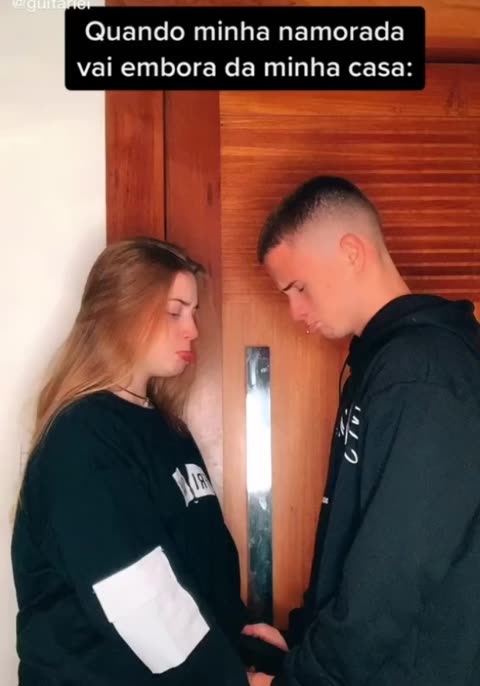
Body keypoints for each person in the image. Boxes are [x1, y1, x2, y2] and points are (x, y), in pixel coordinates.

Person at [245, 176, 480, 685]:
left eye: (298, 288)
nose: (295, 312)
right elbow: (355, 530)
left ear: (352, 252)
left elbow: (396, 570)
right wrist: (302, 640)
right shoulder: (384, 364)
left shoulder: (422, 372)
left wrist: (303, 679)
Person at [12, 237, 266, 685]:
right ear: (120, 313)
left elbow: (201, 562)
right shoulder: (80, 438)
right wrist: (231, 679)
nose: (193, 330)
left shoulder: (169, 430)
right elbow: (141, 602)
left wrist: (241, 635)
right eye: (175, 312)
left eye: (193, 312)